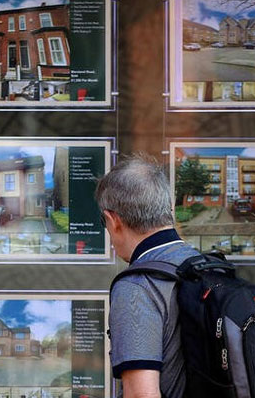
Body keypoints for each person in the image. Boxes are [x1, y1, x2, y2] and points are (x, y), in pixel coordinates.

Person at [95, 153, 199, 398]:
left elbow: (141, 395)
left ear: (113, 220)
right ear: (169, 210)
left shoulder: (137, 286)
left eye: (104, 223)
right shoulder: (204, 266)